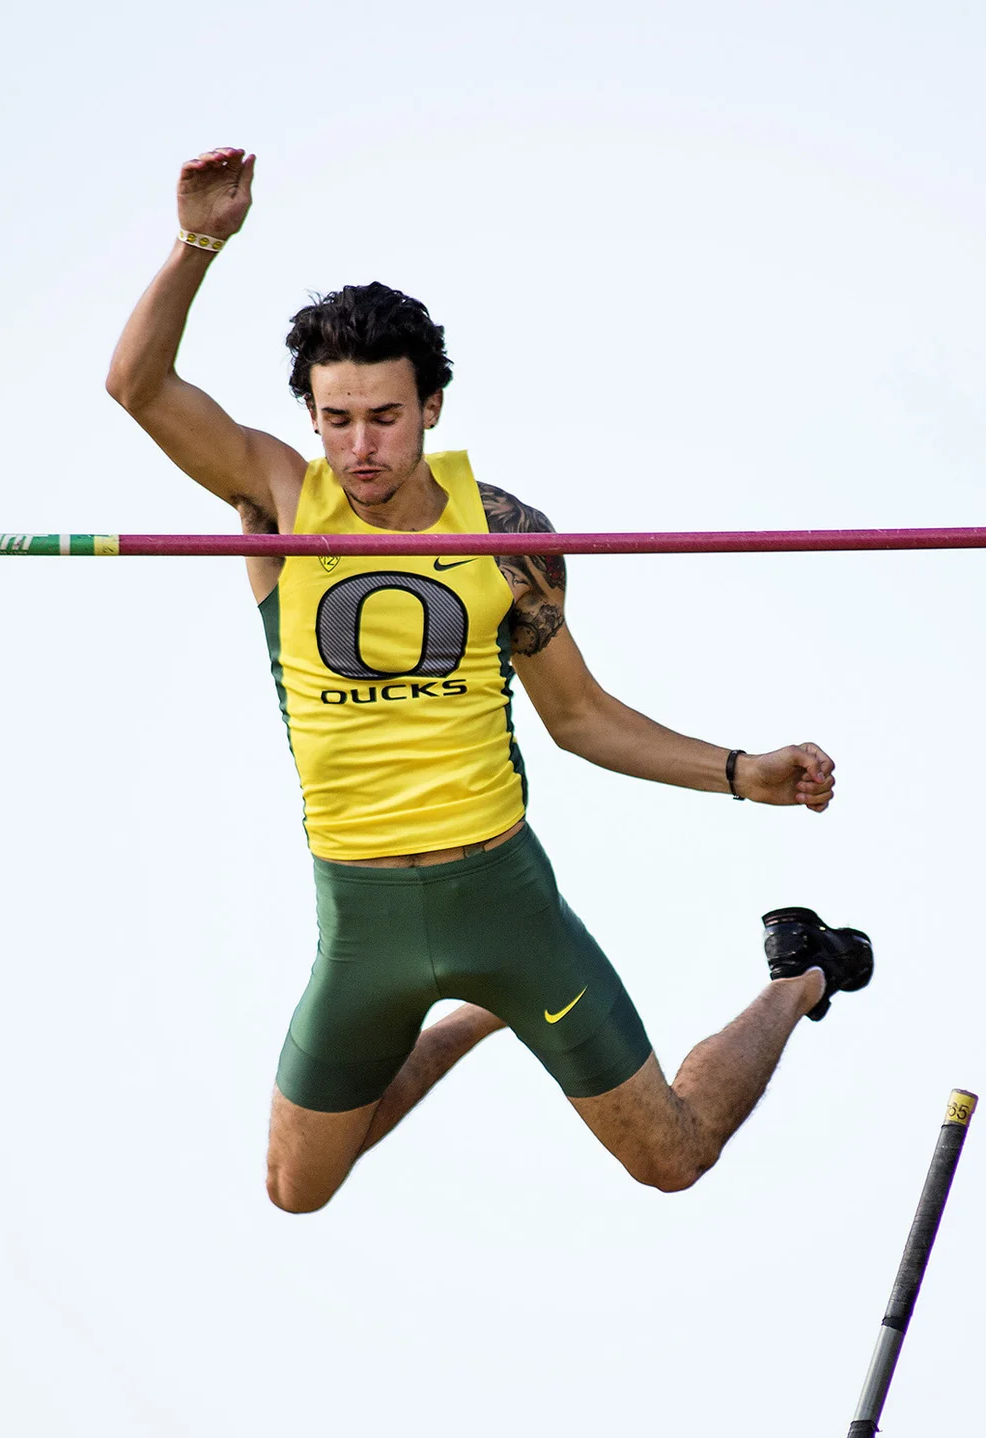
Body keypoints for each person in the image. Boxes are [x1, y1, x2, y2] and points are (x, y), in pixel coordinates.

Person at [105, 147, 873, 1213]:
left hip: (501, 898)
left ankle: (803, 973)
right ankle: (475, 1015)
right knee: (296, 1187)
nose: (359, 447)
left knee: (673, 1157)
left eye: (383, 416)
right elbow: (135, 387)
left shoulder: (504, 534)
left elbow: (582, 718)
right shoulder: (278, 497)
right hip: (359, 912)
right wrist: (199, 242)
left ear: (432, 407)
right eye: (336, 419)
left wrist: (744, 770)